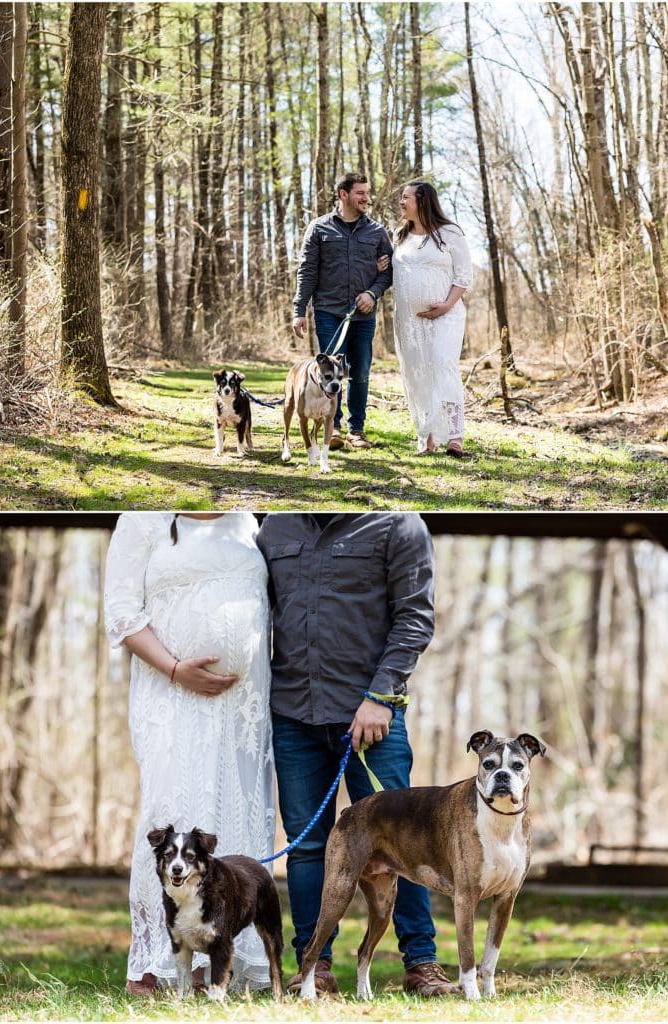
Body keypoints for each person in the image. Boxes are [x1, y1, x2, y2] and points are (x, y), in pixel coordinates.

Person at [256, 512, 454, 998]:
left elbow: (416, 615)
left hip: (373, 719)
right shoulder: (273, 528)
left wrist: (381, 696)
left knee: (408, 844)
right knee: (307, 847)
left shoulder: (398, 524)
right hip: (293, 714)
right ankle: (314, 967)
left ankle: (422, 965)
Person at [104, 512, 276, 996]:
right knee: (169, 814)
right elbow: (120, 614)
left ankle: (226, 964)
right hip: (172, 697)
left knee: (234, 820)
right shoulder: (143, 519)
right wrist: (177, 669)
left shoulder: (249, 517)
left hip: (242, 712)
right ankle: (157, 962)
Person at [292, 172, 393, 451]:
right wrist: (299, 310)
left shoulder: (377, 232)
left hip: (363, 315)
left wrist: (372, 293)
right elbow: (307, 271)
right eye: (360, 193)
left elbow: (389, 273)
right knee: (331, 370)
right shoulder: (319, 228)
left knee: (359, 370)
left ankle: (356, 430)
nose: (366, 198)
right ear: (343, 194)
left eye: (367, 193)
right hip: (328, 311)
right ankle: (332, 427)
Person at [391, 180, 473, 456]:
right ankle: (426, 436)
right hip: (409, 321)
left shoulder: (449, 233)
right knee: (417, 373)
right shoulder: (400, 235)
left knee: (442, 364)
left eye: (406, 198)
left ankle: (454, 436)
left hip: (445, 316)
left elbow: (464, 276)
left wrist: (446, 305)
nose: (401, 202)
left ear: (422, 201)